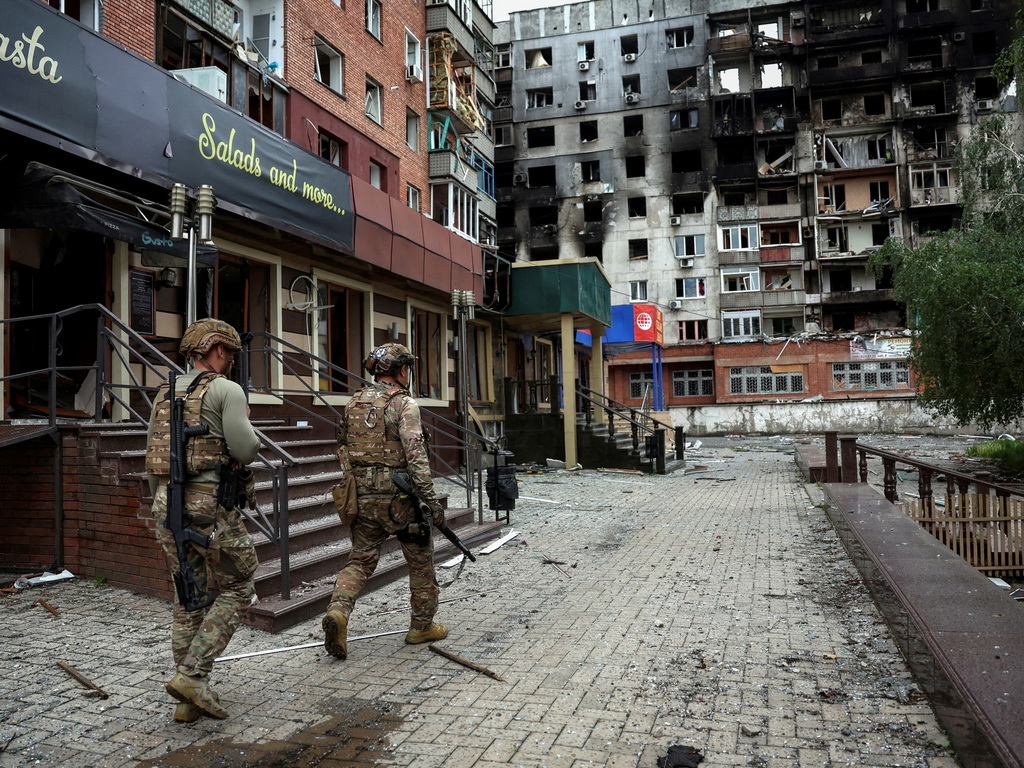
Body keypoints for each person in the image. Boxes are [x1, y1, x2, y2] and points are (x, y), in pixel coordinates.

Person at [145, 318, 261, 722]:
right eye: (227, 352)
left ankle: (185, 702)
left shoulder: (162, 392)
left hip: (166, 503)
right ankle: (193, 676)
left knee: (187, 594)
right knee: (240, 583)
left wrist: (162, 503)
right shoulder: (226, 389)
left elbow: (152, 458)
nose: (228, 360)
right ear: (215, 350)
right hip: (210, 505)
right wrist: (245, 419)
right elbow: (245, 450)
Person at [322, 343, 448, 660]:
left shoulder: (353, 403)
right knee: (420, 561)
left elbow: (342, 448)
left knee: (360, 561)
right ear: (402, 370)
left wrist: (356, 482)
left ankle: (338, 611)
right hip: (401, 499)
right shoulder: (404, 404)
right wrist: (432, 504)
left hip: (363, 498)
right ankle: (421, 627)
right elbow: (416, 458)